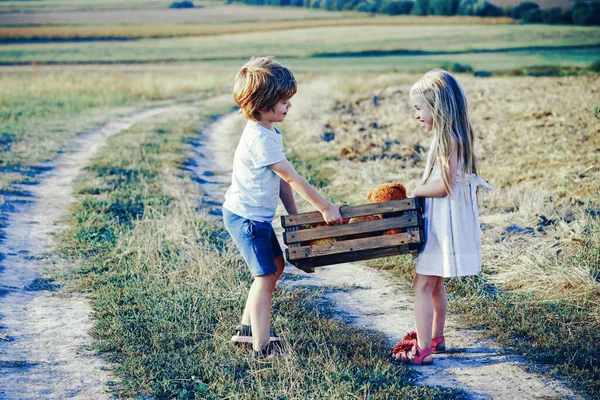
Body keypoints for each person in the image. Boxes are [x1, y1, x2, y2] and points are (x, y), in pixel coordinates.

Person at [222, 56, 343, 359]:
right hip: (247, 218)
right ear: (262, 105)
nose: (289, 105)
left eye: (289, 99)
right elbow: (291, 175)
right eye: (283, 100)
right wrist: (325, 206)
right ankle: (261, 347)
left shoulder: (269, 133)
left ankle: (248, 332)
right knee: (263, 278)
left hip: (253, 217)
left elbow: (281, 181)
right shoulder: (260, 139)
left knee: (274, 268)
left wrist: (293, 214)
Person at [392, 69, 492, 365]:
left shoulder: (447, 138)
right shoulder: (453, 135)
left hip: (441, 226)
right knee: (435, 284)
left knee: (422, 285)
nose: (416, 115)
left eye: (419, 108)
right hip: (445, 223)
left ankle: (422, 350)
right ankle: (436, 338)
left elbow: (445, 185)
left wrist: (416, 189)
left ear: (438, 107)